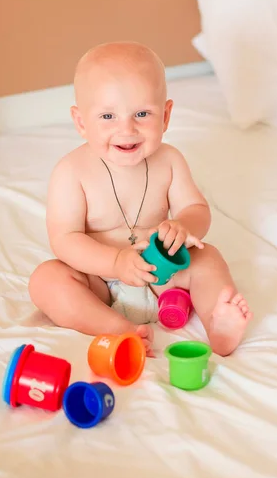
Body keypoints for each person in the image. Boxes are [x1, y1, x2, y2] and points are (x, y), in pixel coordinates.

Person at [29, 42, 252, 356]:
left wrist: (184, 226)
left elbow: (196, 208)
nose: (127, 129)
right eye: (107, 116)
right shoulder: (71, 171)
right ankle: (119, 329)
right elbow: (65, 239)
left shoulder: (170, 160)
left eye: (142, 114)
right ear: (81, 122)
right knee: (46, 280)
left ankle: (218, 323)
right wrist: (116, 263)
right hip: (100, 283)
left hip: (162, 275)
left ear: (166, 116)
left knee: (209, 258)